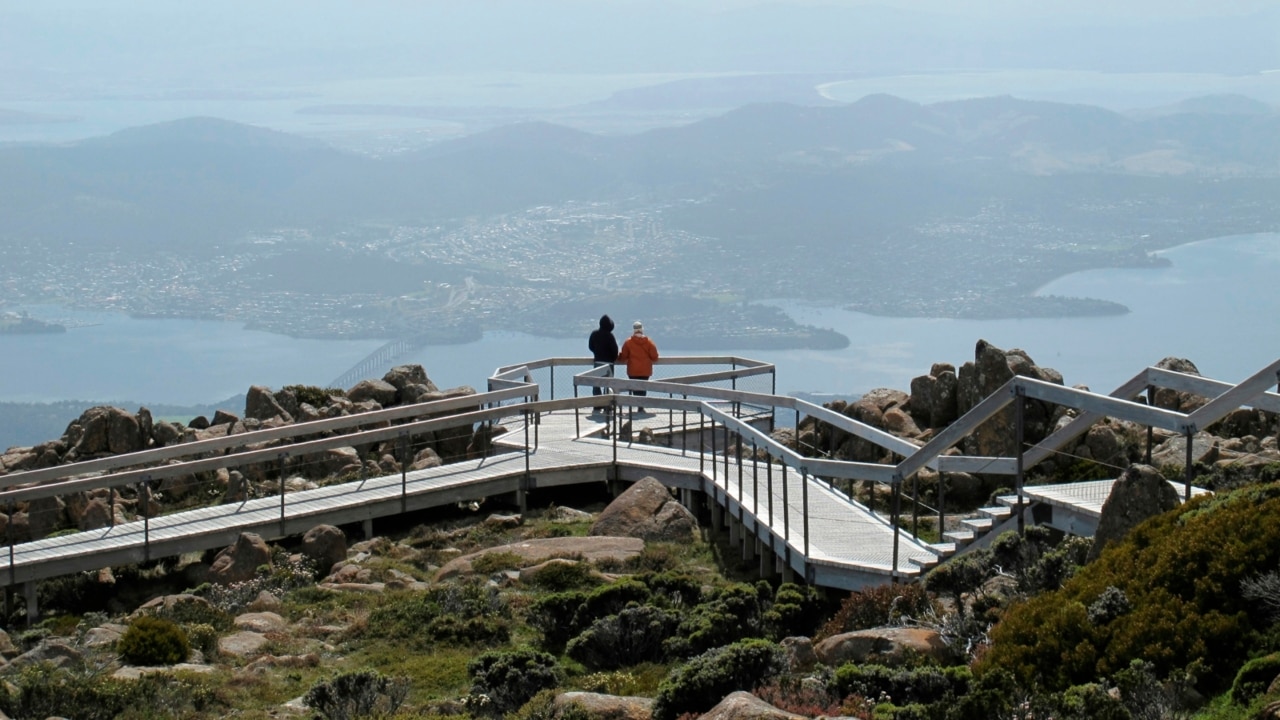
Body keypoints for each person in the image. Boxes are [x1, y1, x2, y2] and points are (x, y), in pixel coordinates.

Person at [616, 320, 658, 412]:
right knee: (643, 387)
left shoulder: (628, 342)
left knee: (635, 387)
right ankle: (641, 406)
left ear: (633, 330)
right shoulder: (649, 342)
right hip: (645, 370)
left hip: (633, 370)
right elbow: (655, 357)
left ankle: (637, 404)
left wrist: (618, 356)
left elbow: (623, 357)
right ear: (642, 329)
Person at [587, 315, 618, 411]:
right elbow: (615, 350)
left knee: (596, 383)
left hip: (598, 362)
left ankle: (597, 403)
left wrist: (597, 353)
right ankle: (608, 404)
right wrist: (612, 358)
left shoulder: (594, 334)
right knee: (608, 384)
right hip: (609, 363)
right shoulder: (610, 336)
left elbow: (590, 346)